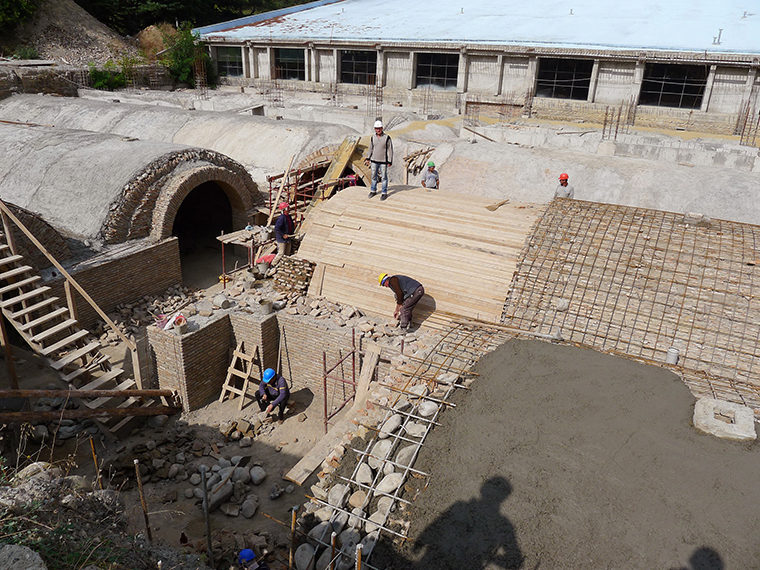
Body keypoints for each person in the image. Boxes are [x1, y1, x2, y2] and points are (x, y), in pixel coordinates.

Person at [364, 120, 393, 201]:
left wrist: (390, 160)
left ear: (382, 128)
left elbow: (390, 150)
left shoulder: (387, 138)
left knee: (384, 177)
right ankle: (373, 190)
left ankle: (384, 193)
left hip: (383, 161)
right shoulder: (373, 137)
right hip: (374, 160)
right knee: (373, 176)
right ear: (374, 129)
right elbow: (371, 148)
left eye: (379, 128)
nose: (378, 130)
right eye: (376, 129)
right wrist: (368, 157)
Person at [272, 201, 294, 266]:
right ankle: (273, 264)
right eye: (287, 208)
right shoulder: (281, 218)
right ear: (284, 210)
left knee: (287, 253)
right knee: (281, 253)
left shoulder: (288, 216)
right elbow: (277, 228)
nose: (289, 209)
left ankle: (283, 265)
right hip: (281, 239)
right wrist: (283, 234)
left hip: (288, 237)